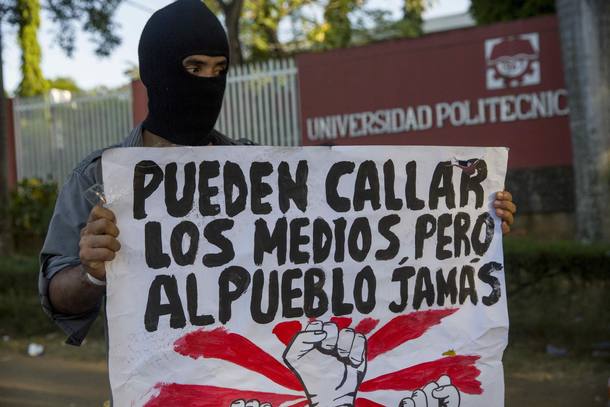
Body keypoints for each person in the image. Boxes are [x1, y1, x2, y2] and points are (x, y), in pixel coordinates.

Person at [39, 0, 517, 349]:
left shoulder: (261, 173)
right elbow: (59, 295)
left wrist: (469, 215)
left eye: (218, 69)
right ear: (155, 72)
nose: (207, 82)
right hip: (161, 385)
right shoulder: (97, 178)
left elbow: (363, 229)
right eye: (192, 67)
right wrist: (94, 273)